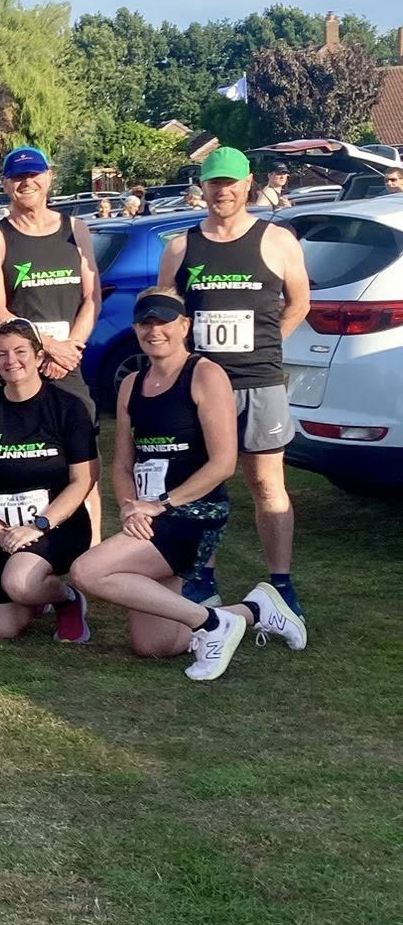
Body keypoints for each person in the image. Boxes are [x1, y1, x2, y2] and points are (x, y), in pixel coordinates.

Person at [70, 291, 286, 678]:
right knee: (155, 645)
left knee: (87, 571)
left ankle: (213, 625)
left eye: (163, 322)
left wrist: (162, 504)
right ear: (135, 329)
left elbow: (223, 463)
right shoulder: (131, 383)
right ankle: (254, 611)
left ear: (184, 325)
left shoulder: (205, 374)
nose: (154, 331)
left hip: (195, 513)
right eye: (145, 323)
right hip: (149, 516)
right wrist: (130, 508)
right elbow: (123, 463)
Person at [157, 146, 311, 620]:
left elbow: (299, 303)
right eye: (214, 182)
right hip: (199, 386)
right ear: (201, 187)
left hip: (258, 381)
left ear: (247, 185)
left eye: (230, 182)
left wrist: (265, 347)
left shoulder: (278, 241)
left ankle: (281, 582)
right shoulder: (180, 247)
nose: (222, 191)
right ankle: (201, 575)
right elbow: (166, 311)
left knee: (266, 482)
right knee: (201, 483)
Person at [0, 145, 101, 536]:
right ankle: (26, 543)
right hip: (19, 369)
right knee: (22, 465)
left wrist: (70, 349)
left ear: (48, 177)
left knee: (84, 470)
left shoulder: (76, 229)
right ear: (4, 184)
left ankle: (90, 556)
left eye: (33, 175)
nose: (26, 182)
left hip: (68, 367)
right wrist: (47, 347)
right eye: (17, 177)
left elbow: (91, 298)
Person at [0, 321, 98, 643]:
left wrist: (39, 526)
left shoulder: (68, 407)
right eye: (1, 354)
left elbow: (83, 480)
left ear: (38, 356)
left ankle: (67, 599)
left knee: (19, 583)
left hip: (57, 525)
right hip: (4, 530)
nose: (11, 360)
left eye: (20, 351)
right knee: (4, 626)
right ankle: (35, 589)